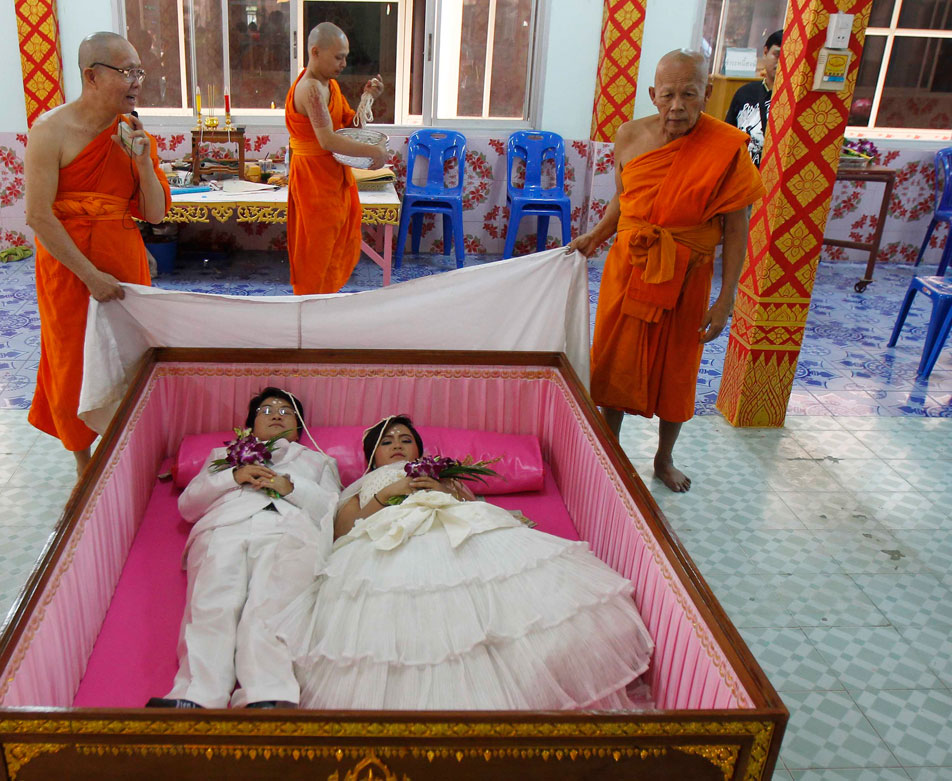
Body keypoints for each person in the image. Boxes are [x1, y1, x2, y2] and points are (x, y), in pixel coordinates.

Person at [278, 416, 654, 710]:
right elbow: (343, 529)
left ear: (419, 449)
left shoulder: (440, 473)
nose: (397, 445)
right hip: (390, 534)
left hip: (452, 526)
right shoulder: (367, 482)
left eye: (405, 439)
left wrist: (444, 489)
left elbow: (473, 508)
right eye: (386, 442)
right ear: (371, 457)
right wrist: (387, 494)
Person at [568, 50, 765, 493]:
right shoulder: (629, 135)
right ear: (653, 94)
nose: (677, 106)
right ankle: (610, 452)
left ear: (707, 93)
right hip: (630, 265)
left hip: (688, 273)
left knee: (678, 367)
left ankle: (664, 458)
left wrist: (726, 298)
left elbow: (737, 228)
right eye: (669, 95)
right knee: (615, 360)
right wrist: (596, 235)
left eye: (689, 94)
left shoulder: (727, 148)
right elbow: (626, 198)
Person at [25, 32, 172, 478]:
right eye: (126, 72)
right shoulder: (50, 131)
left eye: (139, 71)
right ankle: (84, 463)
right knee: (72, 358)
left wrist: (143, 162)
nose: (137, 81)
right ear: (91, 76)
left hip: (123, 258)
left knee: (131, 355)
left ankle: (133, 447)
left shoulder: (132, 133)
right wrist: (89, 276)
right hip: (69, 268)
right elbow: (38, 215)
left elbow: (155, 213)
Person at [147, 388, 341, 709]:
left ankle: (267, 693)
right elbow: (188, 505)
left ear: (298, 427)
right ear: (251, 425)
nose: (276, 414)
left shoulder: (319, 461)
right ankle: (197, 694)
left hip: (289, 531)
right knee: (212, 606)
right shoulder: (223, 456)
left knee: (271, 609)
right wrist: (234, 477)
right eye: (267, 410)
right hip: (224, 528)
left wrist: (291, 487)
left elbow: (331, 512)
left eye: (286, 411)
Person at [285, 22, 387, 295]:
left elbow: (348, 128)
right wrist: (373, 151)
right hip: (313, 181)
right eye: (338, 57)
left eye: (346, 57)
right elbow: (328, 140)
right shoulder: (310, 89)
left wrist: (368, 98)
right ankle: (309, 310)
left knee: (332, 248)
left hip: (333, 178)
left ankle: (324, 305)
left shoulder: (329, 85)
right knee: (315, 252)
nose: (344, 64)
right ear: (315, 52)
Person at [724, 29, 783, 168]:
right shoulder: (745, 93)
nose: (781, 62)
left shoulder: (792, 101)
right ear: (765, 51)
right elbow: (727, 135)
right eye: (777, 55)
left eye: (786, 57)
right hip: (741, 173)